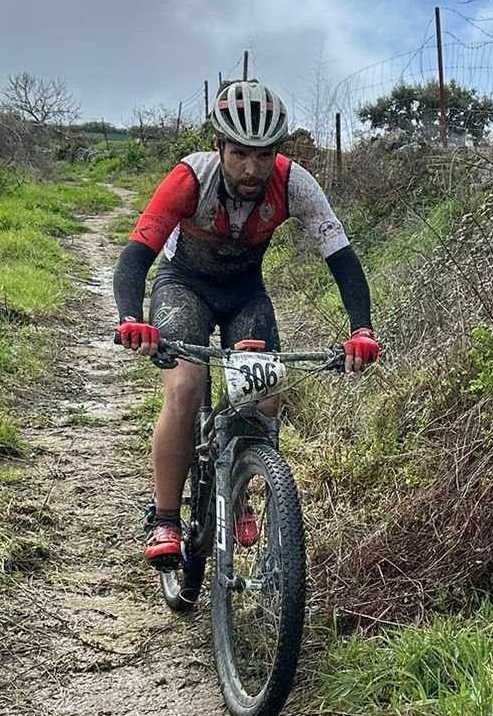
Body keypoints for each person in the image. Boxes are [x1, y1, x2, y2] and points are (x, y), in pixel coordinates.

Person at [113, 78, 379, 563]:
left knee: (261, 397)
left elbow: (341, 257)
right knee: (187, 385)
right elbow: (135, 257)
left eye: (264, 154)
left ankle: (238, 488)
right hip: (183, 287)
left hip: (245, 293)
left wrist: (361, 328)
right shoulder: (191, 178)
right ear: (219, 147)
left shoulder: (294, 182)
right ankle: (165, 518)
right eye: (239, 153)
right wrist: (132, 317)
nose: (252, 168)